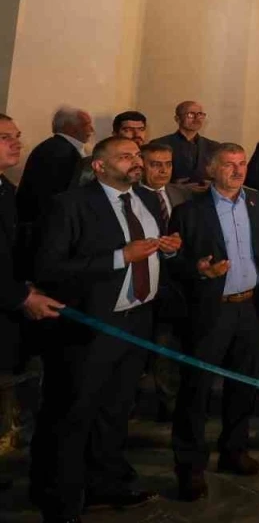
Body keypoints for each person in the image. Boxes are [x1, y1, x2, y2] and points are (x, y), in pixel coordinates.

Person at [30, 136, 180, 519]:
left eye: (137, 155)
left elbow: (150, 253)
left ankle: (107, 484)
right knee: (74, 413)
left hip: (137, 321)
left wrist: (169, 249)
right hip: (91, 327)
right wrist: (120, 257)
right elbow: (48, 268)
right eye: (126, 156)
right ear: (99, 166)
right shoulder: (70, 204)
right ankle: (61, 499)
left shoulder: (146, 200)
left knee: (115, 412)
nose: (136, 162)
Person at [170, 143, 259, 502]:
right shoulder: (188, 211)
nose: (238, 170)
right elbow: (174, 262)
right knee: (196, 390)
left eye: (242, 163)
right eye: (229, 164)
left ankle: (234, 450)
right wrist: (199, 269)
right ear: (211, 169)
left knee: (243, 385)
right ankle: (190, 467)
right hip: (210, 311)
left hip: (249, 308)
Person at [0, 115, 62, 495]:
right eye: (5, 137)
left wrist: (24, 285)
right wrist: (22, 297)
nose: (17, 143)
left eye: (17, 136)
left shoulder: (7, 189)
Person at [137, 141, 192, 422]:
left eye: (168, 164)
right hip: (142, 281)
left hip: (178, 282)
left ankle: (173, 404)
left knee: (171, 344)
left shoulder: (181, 194)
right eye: (155, 164)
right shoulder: (131, 196)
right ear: (141, 166)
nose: (163, 170)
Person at [15, 106, 94, 258]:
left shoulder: (54, 147)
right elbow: (61, 194)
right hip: (47, 232)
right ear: (69, 127)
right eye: (86, 124)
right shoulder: (60, 152)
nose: (91, 129)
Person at [151, 101, 219, 188]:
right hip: (172, 195)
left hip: (205, 194)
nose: (196, 118)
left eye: (200, 114)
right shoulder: (159, 144)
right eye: (191, 114)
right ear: (177, 119)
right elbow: (151, 178)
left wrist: (213, 185)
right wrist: (173, 186)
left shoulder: (214, 147)